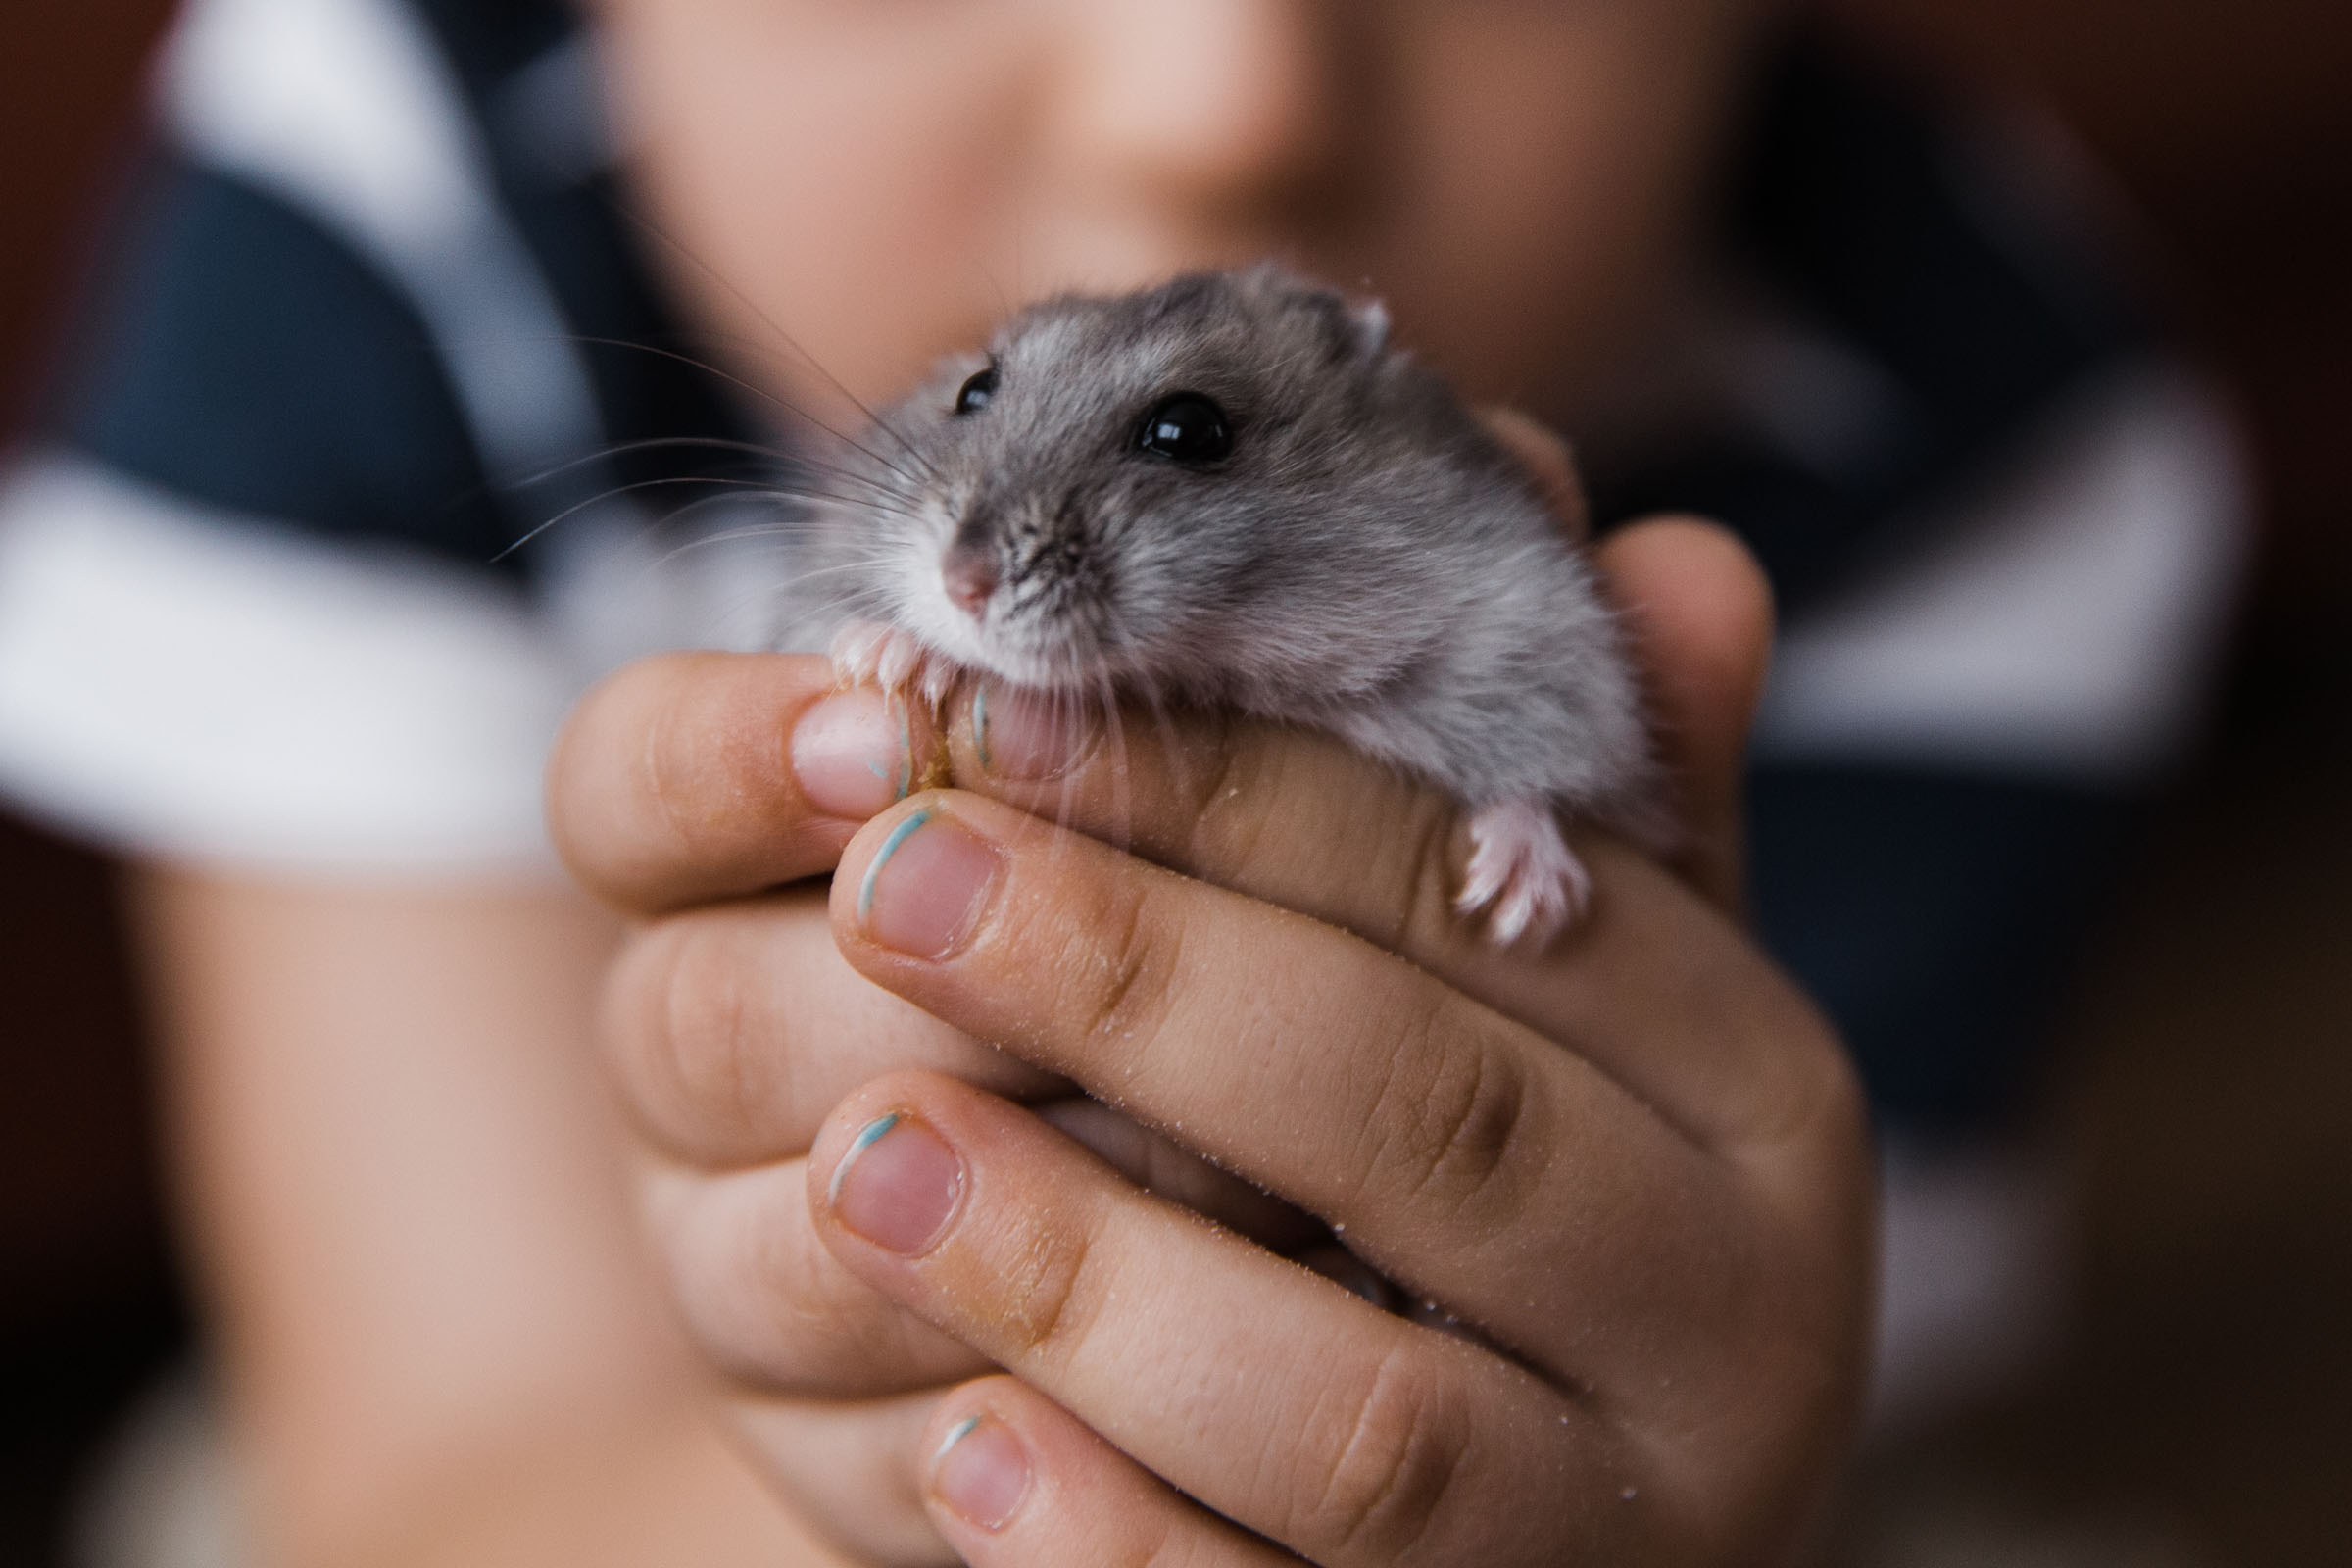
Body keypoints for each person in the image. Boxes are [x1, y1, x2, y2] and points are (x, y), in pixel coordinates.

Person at [0, 0, 2240, 1562]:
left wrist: (1680, 1419)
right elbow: (430, 1478)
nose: (1223, 94)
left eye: (1174, 439)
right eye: (974, 418)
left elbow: (1770, 1317)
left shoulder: (1984, 416)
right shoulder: (365, 223)